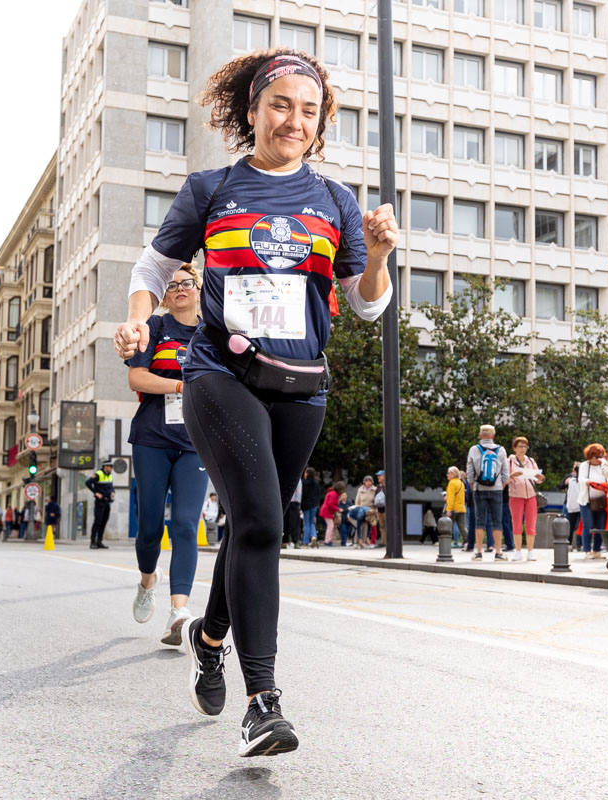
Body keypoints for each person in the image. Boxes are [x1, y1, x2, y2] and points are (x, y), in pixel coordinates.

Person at [117, 47, 396, 757]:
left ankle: (210, 639)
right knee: (263, 523)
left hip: (301, 386)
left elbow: (367, 308)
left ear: (320, 123)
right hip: (219, 375)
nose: (293, 121)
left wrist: (380, 255)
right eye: (281, 105)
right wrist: (140, 317)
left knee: (252, 525)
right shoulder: (211, 189)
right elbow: (151, 266)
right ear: (253, 111)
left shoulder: (335, 203)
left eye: (309, 111)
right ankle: (262, 704)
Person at [124, 264, 210, 645]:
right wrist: (181, 386)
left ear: (198, 288)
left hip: (196, 442)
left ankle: (179, 611)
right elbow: (137, 378)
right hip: (151, 438)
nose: (179, 290)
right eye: (171, 285)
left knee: (186, 526)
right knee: (149, 527)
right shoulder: (155, 328)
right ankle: (147, 580)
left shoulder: (213, 333)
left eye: (186, 284)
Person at [465, 424, 508, 561]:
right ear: (493, 435)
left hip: (479, 488)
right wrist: (501, 486)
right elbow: (505, 473)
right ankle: (498, 552)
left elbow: (469, 472)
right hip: (496, 490)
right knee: (497, 521)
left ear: (480, 435)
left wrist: (472, 486)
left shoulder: (474, 449)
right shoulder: (500, 450)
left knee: (479, 521)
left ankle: (478, 552)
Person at [506, 436, 544, 561]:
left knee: (531, 524)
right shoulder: (510, 461)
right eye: (520, 446)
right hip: (516, 496)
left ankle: (530, 551)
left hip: (531, 496)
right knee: (516, 523)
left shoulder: (531, 461)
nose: (523, 449)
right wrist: (512, 475)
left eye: (525, 446)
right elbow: (504, 479)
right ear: (514, 448)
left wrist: (541, 478)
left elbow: (537, 480)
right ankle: (517, 551)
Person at [577, 444, 608, 559]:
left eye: (600, 456)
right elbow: (581, 479)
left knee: (601, 526)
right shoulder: (585, 465)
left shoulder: (604, 466)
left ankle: (597, 550)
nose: (597, 459)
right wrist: (589, 482)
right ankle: (587, 550)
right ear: (590, 456)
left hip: (601, 501)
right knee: (588, 525)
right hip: (587, 501)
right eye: (595, 456)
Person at [85, 459, 115, 549]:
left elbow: (111, 487)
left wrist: (113, 492)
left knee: (103, 522)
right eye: (110, 467)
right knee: (97, 522)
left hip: (107, 502)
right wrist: (95, 493)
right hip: (100, 502)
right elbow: (88, 482)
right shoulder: (98, 474)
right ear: (105, 467)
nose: (111, 468)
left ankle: (99, 541)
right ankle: (92, 542)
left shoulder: (109, 476)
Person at [349, 475, 377, 548]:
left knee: (372, 525)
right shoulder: (360, 489)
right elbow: (357, 501)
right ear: (364, 482)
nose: (368, 482)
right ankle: (359, 541)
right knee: (361, 525)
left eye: (370, 481)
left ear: (372, 482)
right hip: (362, 509)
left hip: (371, 510)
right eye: (366, 481)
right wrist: (358, 508)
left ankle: (370, 541)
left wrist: (374, 510)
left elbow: (376, 501)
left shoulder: (375, 489)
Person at [444, 466, 466, 548]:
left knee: (448, 527)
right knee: (462, 527)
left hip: (453, 509)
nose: (447, 475)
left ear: (453, 474)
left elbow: (451, 498)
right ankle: (467, 542)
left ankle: (446, 542)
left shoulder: (452, 483)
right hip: (461, 508)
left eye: (448, 473)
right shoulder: (461, 483)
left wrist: (449, 509)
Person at [562, 463, 582, 548]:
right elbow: (561, 485)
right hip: (577, 506)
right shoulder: (570, 480)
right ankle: (578, 544)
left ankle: (574, 544)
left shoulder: (572, 480)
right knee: (576, 526)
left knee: (572, 526)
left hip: (572, 506)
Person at [299, 468, 321, 546]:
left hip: (306, 505)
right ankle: (314, 536)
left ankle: (305, 541)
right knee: (312, 522)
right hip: (314, 505)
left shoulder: (303, 483)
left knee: (306, 523)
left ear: (307, 474)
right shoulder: (316, 483)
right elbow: (318, 494)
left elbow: (302, 494)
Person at [320, 480, 342, 546]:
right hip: (327, 511)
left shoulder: (332, 493)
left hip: (327, 511)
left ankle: (328, 540)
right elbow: (330, 504)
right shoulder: (334, 494)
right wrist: (338, 509)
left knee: (330, 526)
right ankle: (327, 541)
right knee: (330, 526)